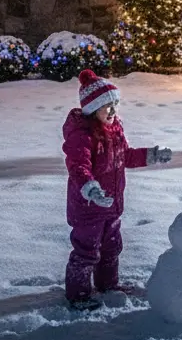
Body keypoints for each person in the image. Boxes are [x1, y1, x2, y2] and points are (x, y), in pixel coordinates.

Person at [62, 69, 172, 308]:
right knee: (86, 251)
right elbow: (78, 165)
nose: (112, 111)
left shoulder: (115, 130)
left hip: (112, 206)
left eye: (115, 104)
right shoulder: (82, 136)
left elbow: (126, 157)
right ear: (92, 108)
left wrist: (151, 155)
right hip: (88, 207)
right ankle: (77, 295)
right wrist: (90, 189)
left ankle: (107, 284)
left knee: (111, 247)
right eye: (106, 106)